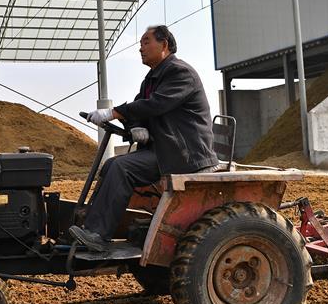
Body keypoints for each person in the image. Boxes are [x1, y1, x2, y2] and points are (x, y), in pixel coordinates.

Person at [69, 25, 219, 252]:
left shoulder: (180, 72)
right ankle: (89, 226)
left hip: (185, 153)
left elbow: (156, 104)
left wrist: (114, 112)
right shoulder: (152, 79)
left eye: (146, 42)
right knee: (111, 164)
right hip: (165, 149)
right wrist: (136, 126)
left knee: (122, 167)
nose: (141, 49)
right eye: (140, 44)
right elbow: (141, 108)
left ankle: (98, 234)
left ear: (164, 45)